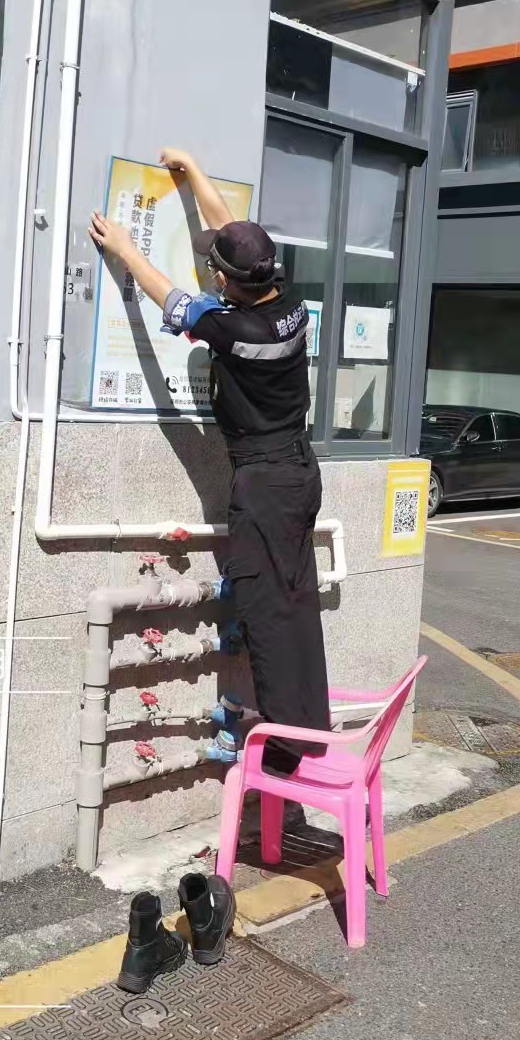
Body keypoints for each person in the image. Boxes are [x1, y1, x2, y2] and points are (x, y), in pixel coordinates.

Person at [92, 149, 330, 992]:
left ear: (230, 283)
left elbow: (170, 297)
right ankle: (300, 732)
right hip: (301, 474)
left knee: (266, 616)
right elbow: (235, 234)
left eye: (219, 270)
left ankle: (281, 748)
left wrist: (125, 247)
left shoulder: (231, 329)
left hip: (263, 484)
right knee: (296, 608)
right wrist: (193, 176)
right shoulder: (287, 307)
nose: (215, 273)